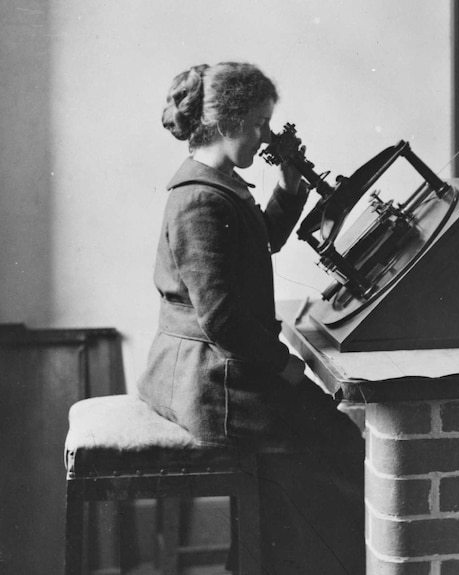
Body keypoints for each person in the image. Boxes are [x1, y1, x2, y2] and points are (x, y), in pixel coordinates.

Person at [137, 61, 365, 574]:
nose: (265, 136)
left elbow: (259, 240)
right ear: (229, 121)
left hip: (216, 364)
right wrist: (284, 366)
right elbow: (221, 320)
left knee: (332, 436)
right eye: (260, 123)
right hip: (208, 378)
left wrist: (289, 187)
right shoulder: (198, 200)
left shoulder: (218, 185)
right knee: (336, 444)